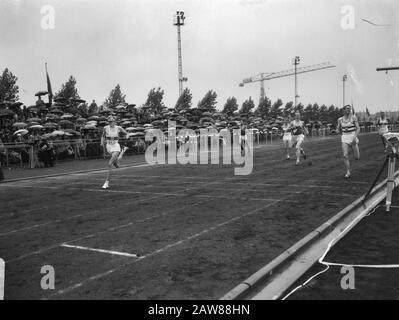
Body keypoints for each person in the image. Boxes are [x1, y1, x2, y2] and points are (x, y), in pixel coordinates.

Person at [101, 116, 128, 189]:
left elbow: (126, 133)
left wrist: (124, 134)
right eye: (109, 121)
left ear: (114, 121)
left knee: (110, 164)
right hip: (109, 146)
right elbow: (103, 136)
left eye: (112, 121)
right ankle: (123, 151)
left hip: (116, 146)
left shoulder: (118, 128)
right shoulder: (105, 128)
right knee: (116, 165)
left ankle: (106, 183)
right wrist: (102, 142)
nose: (110, 123)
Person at [337, 105, 360, 179]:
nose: (348, 110)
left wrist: (355, 137)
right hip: (344, 138)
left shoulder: (353, 117)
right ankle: (348, 172)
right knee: (345, 155)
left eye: (349, 109)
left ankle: (355, 155)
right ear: (343, 110)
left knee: (357, 157)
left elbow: (358, 128)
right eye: (347, 109)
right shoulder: (340, 119)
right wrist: (337, 131)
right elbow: (338, 128)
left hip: (353, 136)